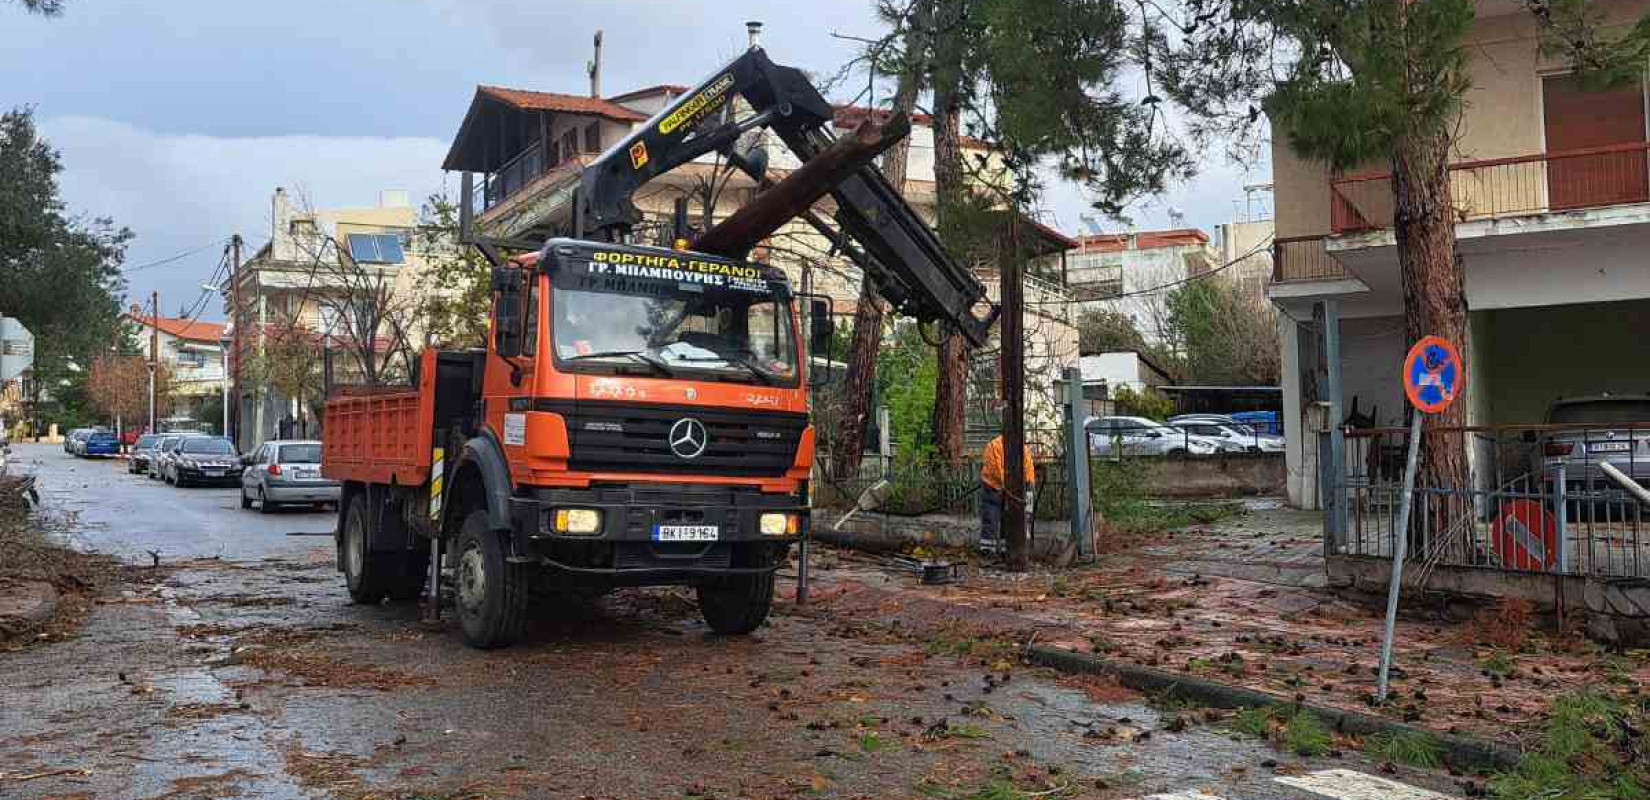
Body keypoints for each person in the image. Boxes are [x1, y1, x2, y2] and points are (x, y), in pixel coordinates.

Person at [979, 434, 1034, 553]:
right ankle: (989, 548)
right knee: (992, 517)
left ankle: (1003, 549)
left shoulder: (1019, 449)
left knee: (1005, 518)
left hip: (1008, 486)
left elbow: (1026, 471)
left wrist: (1018, 486)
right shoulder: (997, 446)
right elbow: (996, 470)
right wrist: (1013, 485)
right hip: (994, 486)